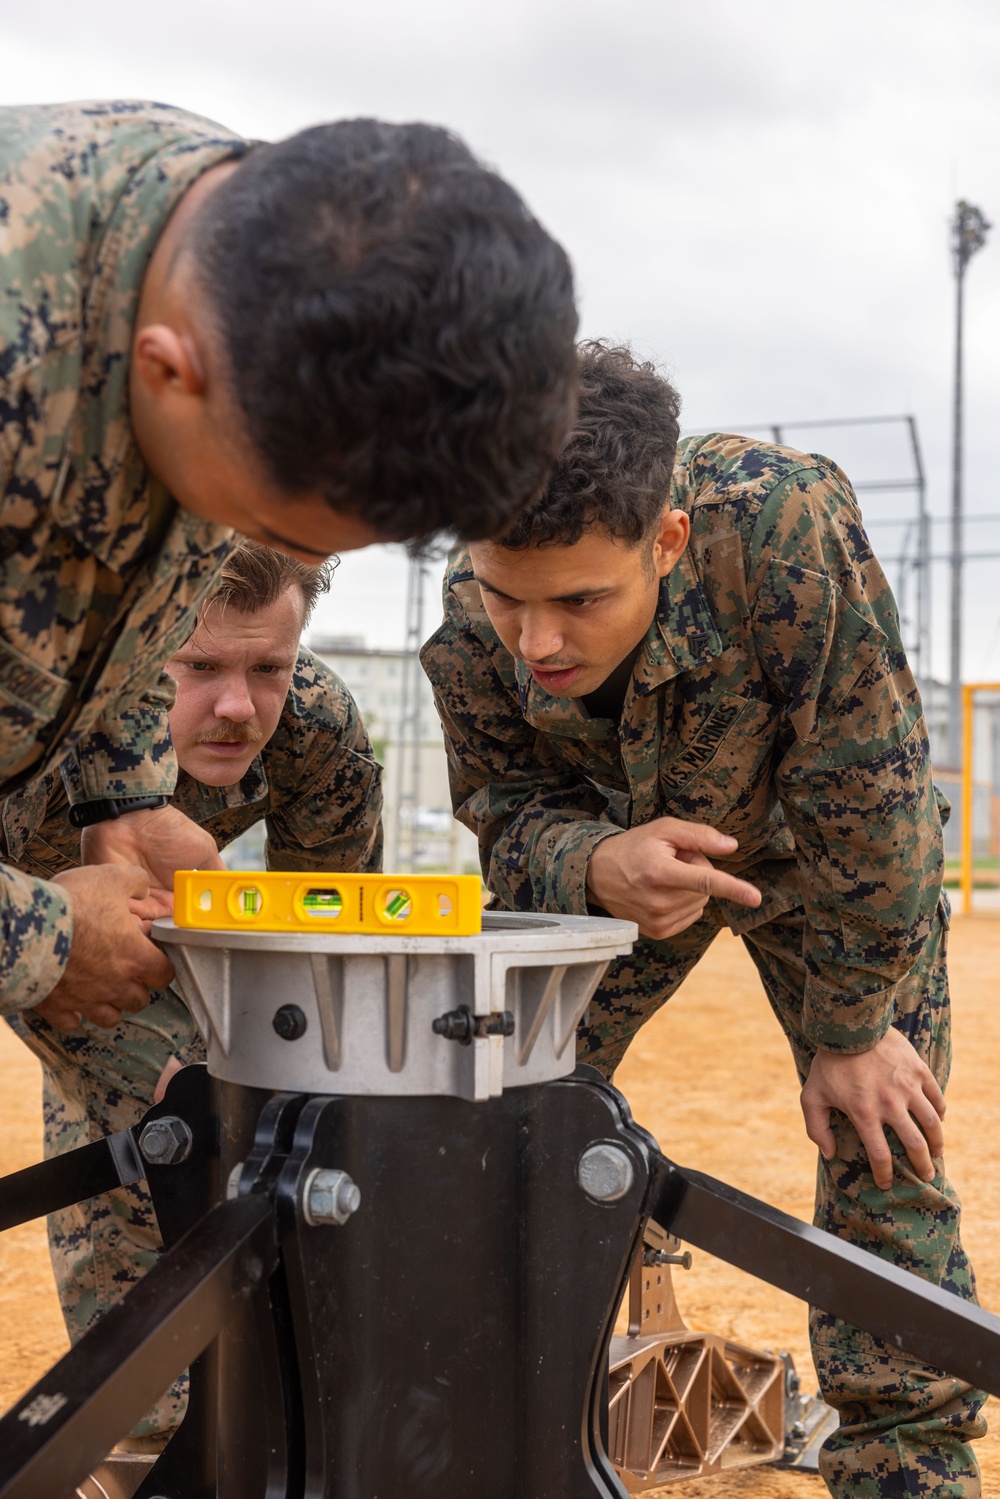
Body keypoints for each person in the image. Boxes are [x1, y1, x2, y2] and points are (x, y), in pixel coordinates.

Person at [421, 342, 986, 1498]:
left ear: (666, 541)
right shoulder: (470, 607)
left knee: (883, 1133)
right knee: (489, 1120)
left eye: (580, 600)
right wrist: (593, 859)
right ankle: (466, 1437)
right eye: (507, 596)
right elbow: (499, 808)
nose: (535, 641)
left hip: (817, 857)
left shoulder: (780, 525)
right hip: (617, 873)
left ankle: (905, 1466)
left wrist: (850, 1024)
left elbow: (869, 785)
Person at [0, 99, 576, 1032]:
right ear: (169, 373)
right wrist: (40, 942)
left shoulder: (253, 254)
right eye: (262, 521)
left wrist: (125, 793)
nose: (289, 564)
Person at [5, 539, 382, 1448]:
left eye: (269, 668)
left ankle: (240, 1419)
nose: (238, 706)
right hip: (35, 913)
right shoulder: (31, 722)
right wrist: (54, 941)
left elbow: (335, 942)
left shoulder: (317, 724)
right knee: (176, 1113)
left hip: (140, 924)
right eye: (200, 667)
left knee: (281, 1113)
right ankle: (153, 1422)